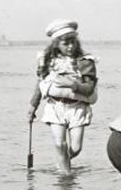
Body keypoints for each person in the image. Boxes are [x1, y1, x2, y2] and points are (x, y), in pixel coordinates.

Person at [27, 20, 98, 172]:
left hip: (77, 108)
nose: (70, 47)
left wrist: (72, 84)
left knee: (76, 148)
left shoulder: (84, 61)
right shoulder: (48, 61)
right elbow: (41, 85)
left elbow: (89, 88)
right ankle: (65, 180)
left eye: (73, 42)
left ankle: (62, 166)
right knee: (60, 144)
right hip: (55, 106)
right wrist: (33, 106)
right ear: (56, 44)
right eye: (66, 43)